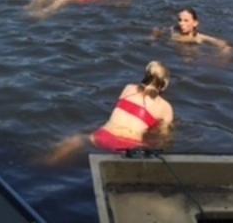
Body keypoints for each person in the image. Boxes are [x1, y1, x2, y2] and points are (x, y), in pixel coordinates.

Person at [46, 61, 174, 164]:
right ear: (164, 84)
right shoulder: (166, 108)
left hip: (103, 137)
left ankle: (48, 162)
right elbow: (163, 138)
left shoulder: (129, 88)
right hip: (130, 147)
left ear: (146, 75)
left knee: (78, 138)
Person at [157, 7, 232, 53]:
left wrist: (222, 57)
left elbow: (225, 45)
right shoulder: (173, 30)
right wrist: (153, 37)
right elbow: (157, 30)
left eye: (186, 21)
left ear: (195, 23)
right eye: (180, 20)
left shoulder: (199, 37)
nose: (181, 23)